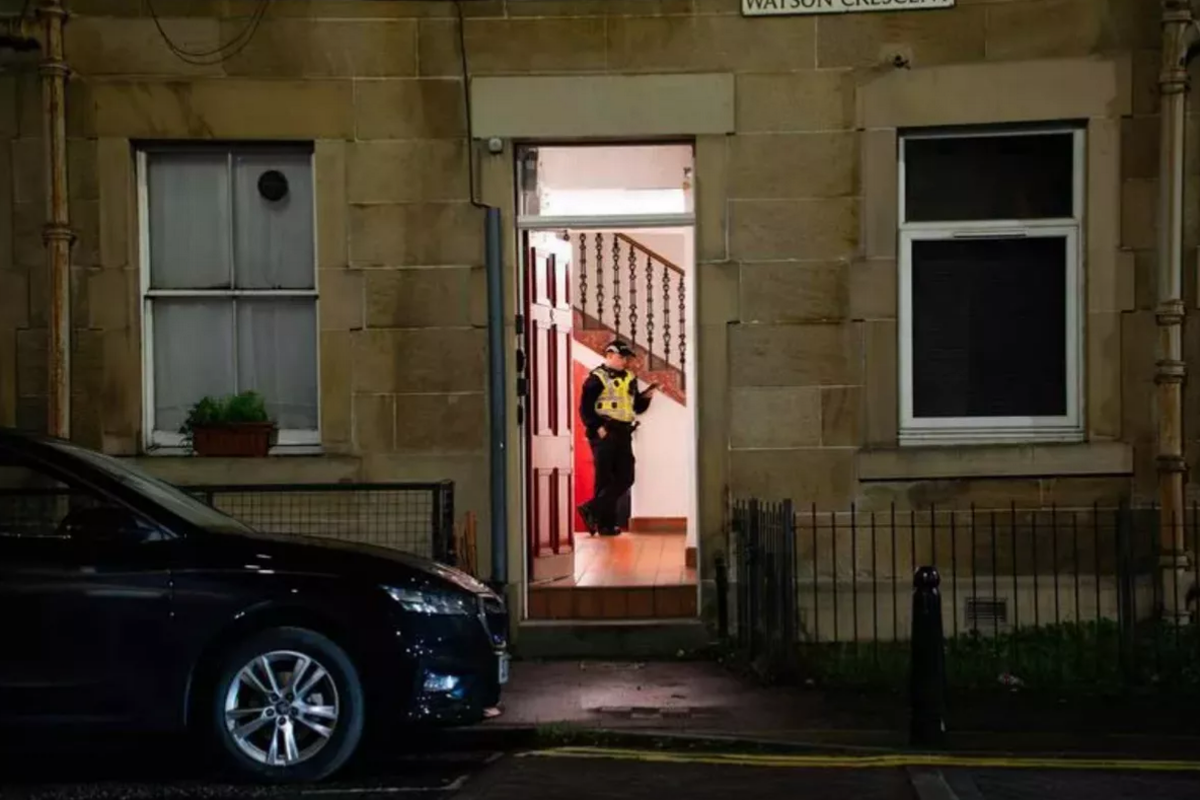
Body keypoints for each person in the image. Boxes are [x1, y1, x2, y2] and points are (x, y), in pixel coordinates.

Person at [577, 340, 657, 537]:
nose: (624, 361)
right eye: (621, 357)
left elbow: (636, 407)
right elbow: (585, 408)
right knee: (604, 479)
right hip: (605, 433)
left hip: (623, 432)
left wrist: (646, 396)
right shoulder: (597, 378)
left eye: (626, 358)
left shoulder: (630, 378)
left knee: (626, 477)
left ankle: (592, 509)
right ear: (609, 355)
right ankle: (605, 525)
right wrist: (597, 428)